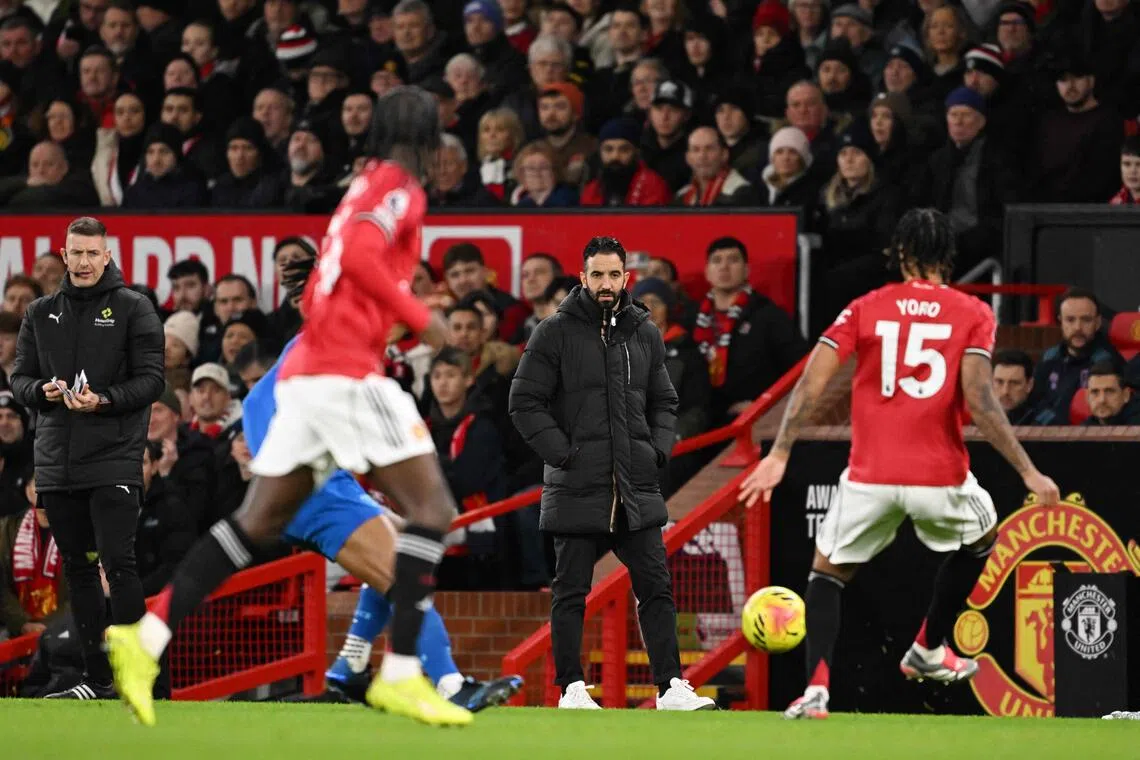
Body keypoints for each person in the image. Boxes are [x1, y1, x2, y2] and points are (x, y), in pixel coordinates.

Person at [104, 87, 472, 728]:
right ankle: (403, 673)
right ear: (426, 137)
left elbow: (350, 265)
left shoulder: (363, 184)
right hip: (342, 372)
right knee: (434, 509)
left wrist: (400, 321)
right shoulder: (400, 188)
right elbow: (359, 256)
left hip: (306, 372)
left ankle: (147, 636)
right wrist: (425, 323)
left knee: (255, 523)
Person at [739, 208, 1060, 720]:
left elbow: (813, 381)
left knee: (826, 575)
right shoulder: (973, 311)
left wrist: (780, 451)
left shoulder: (866, 307)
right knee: (982, 539)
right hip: (942, 478)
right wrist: (1027, 470)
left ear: (903, 255)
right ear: (947, 259)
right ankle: (929, 648)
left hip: (870, 476)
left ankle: (816, 692)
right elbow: (980, 398)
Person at [235, 267, 523, 710]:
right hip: (312, 489)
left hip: (318, 483)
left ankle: (348, 670)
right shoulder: (336, 343)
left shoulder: (313, 347)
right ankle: (450, 685)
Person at [509, 235, 715, 711]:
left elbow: (664, 401)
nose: (605, 283)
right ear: (583, 278)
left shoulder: (645, 331)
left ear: (627, 278)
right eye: (596, 274)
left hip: (635, 483)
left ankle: (671, 689)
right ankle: (571, 689)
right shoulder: (553, 332)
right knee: (570, 591)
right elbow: (523, 403)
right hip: (578, 482)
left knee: (657, 588)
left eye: (613, 275)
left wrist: (656, 452)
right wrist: (564, 455)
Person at [9, 216, 165, 699]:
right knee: (78, 567)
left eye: (91, 253)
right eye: (74, 252)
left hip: (115, 455)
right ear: (64, 254)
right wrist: (43, 390)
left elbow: (152, 380)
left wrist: (104, 400)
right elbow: (18, 379)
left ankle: (139, 677)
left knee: (119, 563)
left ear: (107, 256)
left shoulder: (134, 308)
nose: (82, 261)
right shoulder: (39, 312)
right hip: (57, 461)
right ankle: (96, 679)